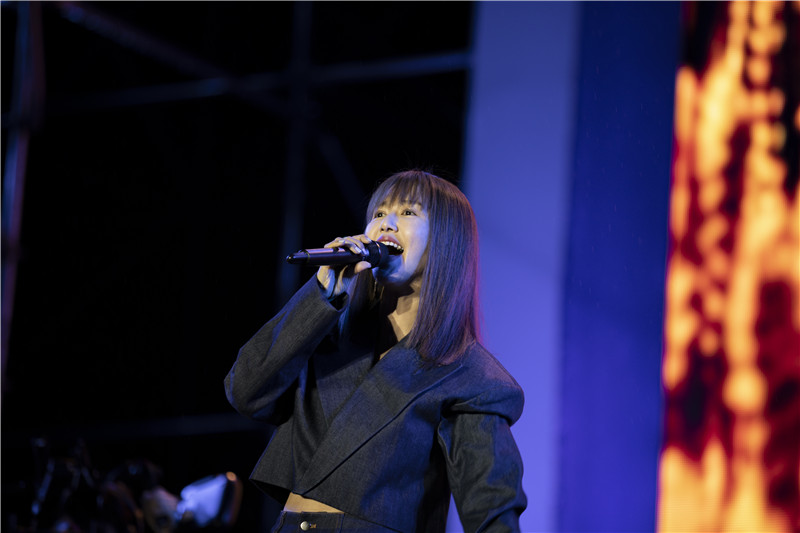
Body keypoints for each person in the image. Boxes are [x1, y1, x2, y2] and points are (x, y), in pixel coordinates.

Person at [225, 170, 526, 532]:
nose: (387, 224)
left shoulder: (471, 376)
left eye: (408, 212)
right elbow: (246, 391)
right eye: (380, 213)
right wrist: (320, 296)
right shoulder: (329, 332)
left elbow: (492, 511)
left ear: (447, 240)